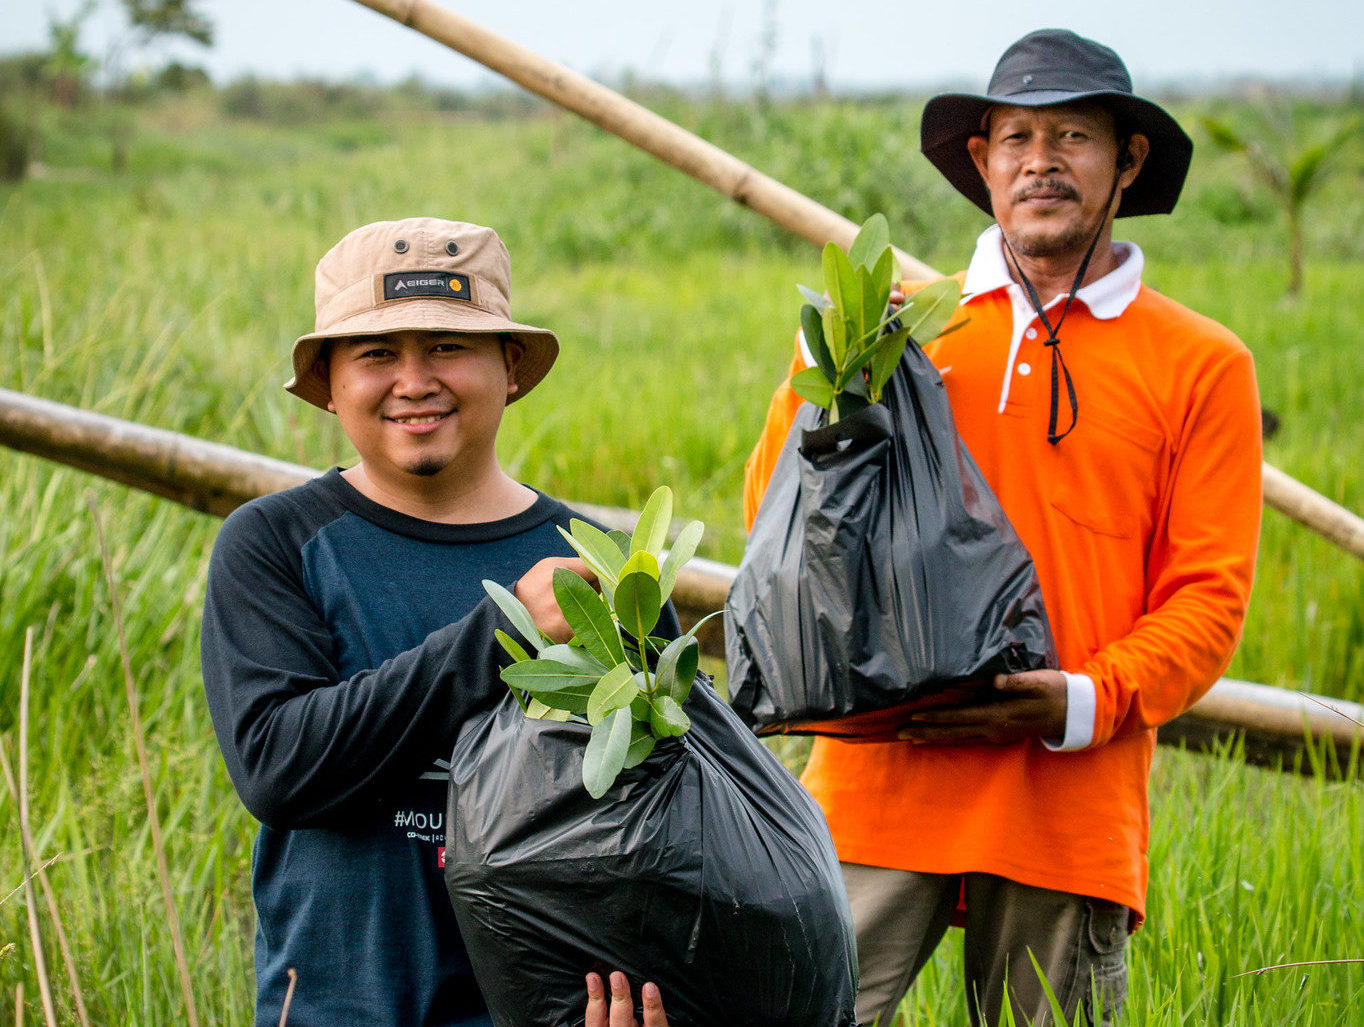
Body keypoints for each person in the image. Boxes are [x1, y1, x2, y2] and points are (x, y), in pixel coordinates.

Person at [742, 29, 1262, 1027]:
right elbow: (780, 527)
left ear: (1128, 161)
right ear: (980, 164)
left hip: (1067, 806)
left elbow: (1206, 601)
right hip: (874, 774)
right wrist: (835, 387)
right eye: (1014, 136)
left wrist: (1073, 701)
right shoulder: (892, 330)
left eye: (1072, 135)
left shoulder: (1200, 364)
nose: (1039, 161)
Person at [200, 217, 674, 1026]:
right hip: (338, 1007)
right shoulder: (276, 544)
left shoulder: (602, 567)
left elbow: (659, 819)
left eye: (449, 347)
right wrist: (505, 635)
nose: (414, 380)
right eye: (377, 354)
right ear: (329, 381)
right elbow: (278, 767)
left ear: (511, 367)